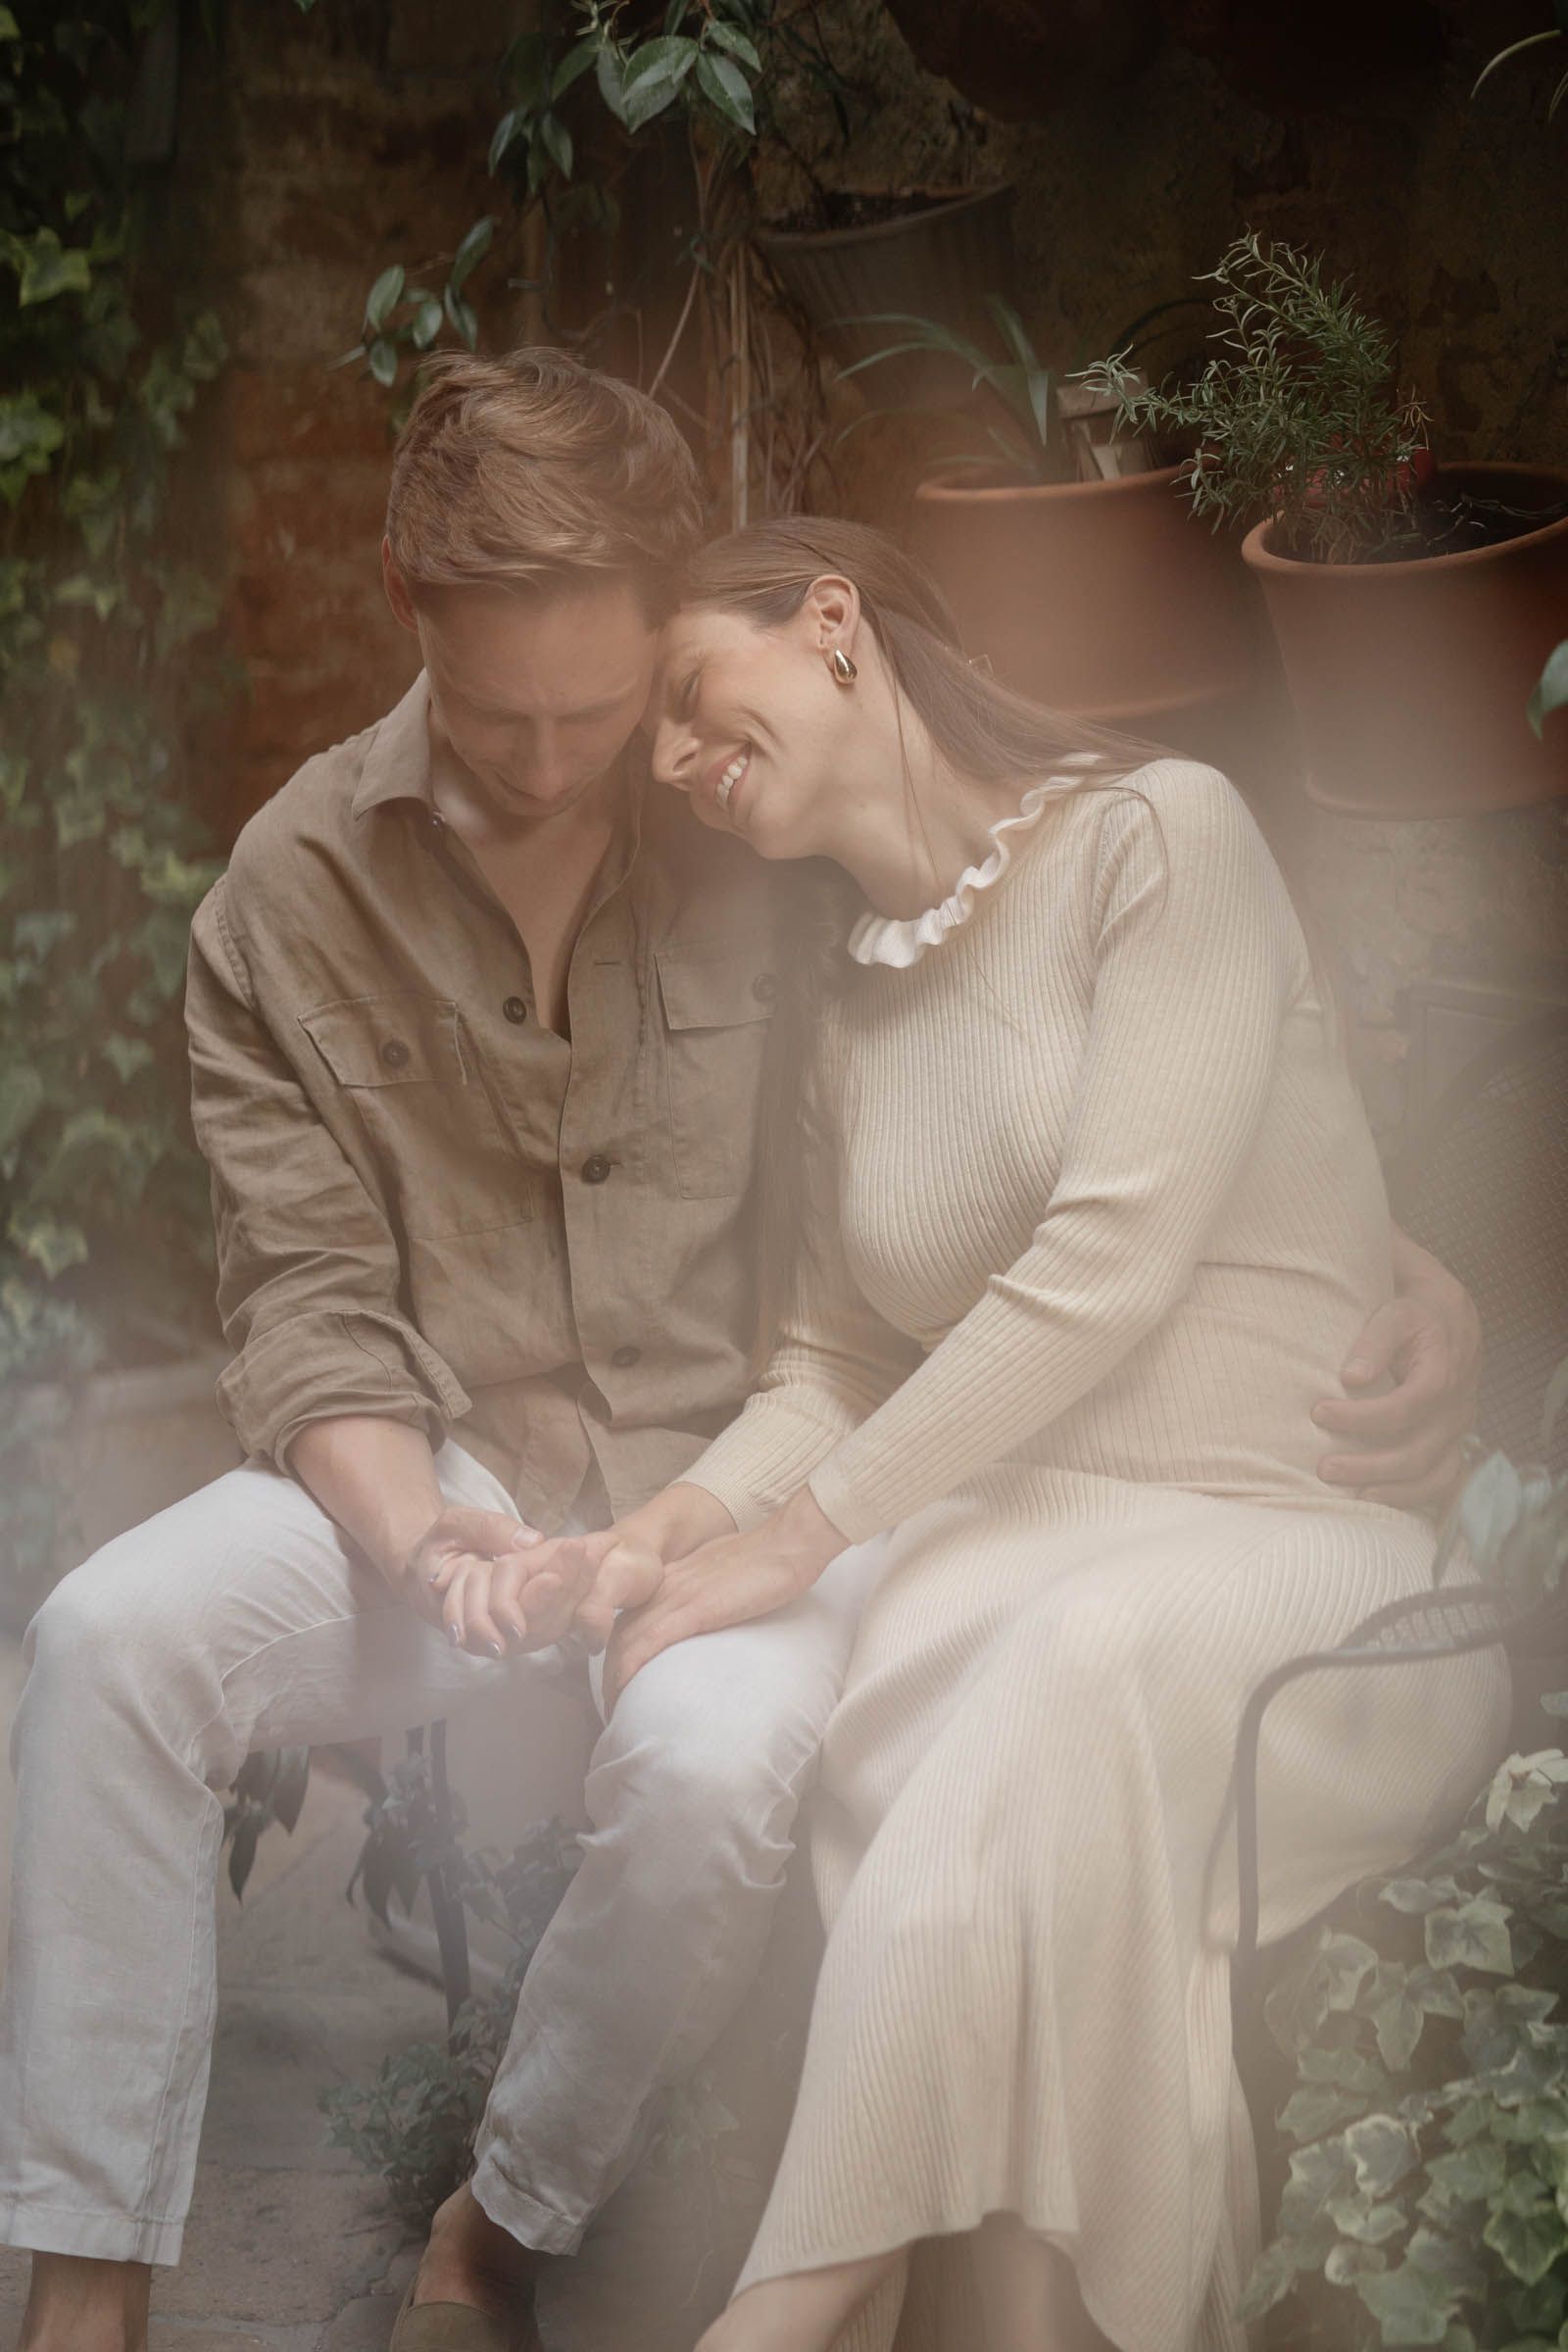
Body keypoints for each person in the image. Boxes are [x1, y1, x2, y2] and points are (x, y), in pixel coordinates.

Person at [0, 351, 1477, 2352]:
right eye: (499, 714)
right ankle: (81, 2310)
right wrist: (423, 1538)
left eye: (601, 709)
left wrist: (1388, 1260)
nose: (555, 762)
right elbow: (307, 1302)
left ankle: (498, 2238)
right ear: (405, 602)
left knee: (713, 1771)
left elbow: (1049, 1100)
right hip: (440, 1472)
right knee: (105, 1638)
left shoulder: (756, 834)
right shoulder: (289, 890)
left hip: (734, 1474)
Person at [489, 515, 1509, 2352]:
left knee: (1063, 1665)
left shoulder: (1161, 840)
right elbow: (834, 1359)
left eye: (691, 696)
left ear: (834, 623)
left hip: (1298, 1547)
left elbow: (1105, 1267)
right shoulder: (848, 1011)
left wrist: (797, 1542)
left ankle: (779, 2320)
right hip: (1027, 1552)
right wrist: (673, 1526)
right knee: (957, 1672)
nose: (672, 759)